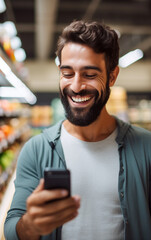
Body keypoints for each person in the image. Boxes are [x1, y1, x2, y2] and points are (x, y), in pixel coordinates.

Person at [4, 20, 151, 240]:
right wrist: (30, 225)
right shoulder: (36, 150)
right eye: (67, 73)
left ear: (112, 76)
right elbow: (12, 227)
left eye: (89, 75)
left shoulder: (145, 147)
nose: (76, 86)